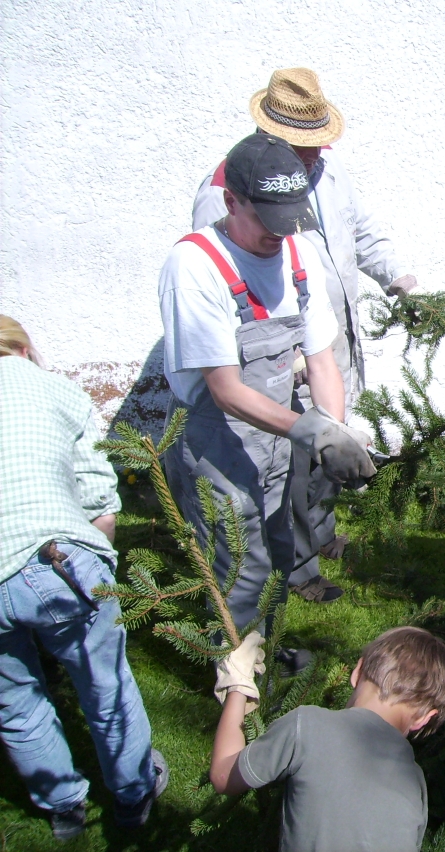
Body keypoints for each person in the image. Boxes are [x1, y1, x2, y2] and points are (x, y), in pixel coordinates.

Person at [194, 68, 418, 603]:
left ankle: (318, 534)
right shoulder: (225, 192)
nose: (315, 154)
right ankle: (295, 570)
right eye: (303, 145)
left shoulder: (329, 170)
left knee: (326, 448)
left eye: (320, 142)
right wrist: (284, 346)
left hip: (328, 338)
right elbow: (226, 279)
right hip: (277, 354)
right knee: (289, 462)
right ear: (271, 135)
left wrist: (397, 278)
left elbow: (361, 230)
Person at [160, 133, 375, 667]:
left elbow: (321, 360)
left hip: (278, 434)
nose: (279, 234)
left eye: (289, 219)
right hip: (218, 441)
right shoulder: (196, 265)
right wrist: (312, 432)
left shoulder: (297, 251)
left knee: (279, 549)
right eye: (267, 220)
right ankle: (237, 679)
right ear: (231, 201)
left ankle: (265, 650)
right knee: (240, 564)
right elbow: (225, 390)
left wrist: (333, 430)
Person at [0, 316, 166, 839]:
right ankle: (134, 796)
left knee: (14, 698)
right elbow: (98, 498)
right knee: (103, 683)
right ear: (23, 349)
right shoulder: (56, 389)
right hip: (55, 557)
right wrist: (100, 569)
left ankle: (63, 805)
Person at [209, 626, 445, 852]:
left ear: (357, 671)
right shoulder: (414, 783)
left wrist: (238, 685)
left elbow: (224, 776)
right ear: (425, 718)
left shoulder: (307, 725)